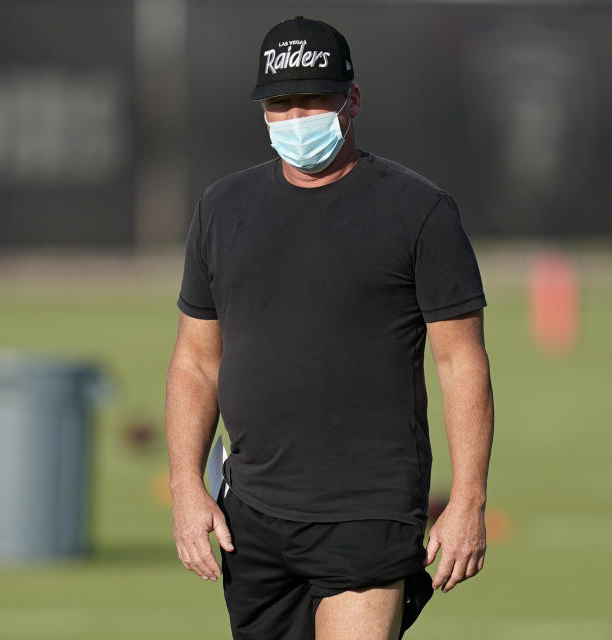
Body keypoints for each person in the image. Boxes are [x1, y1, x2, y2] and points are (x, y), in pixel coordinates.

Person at [165, 15, 495, 640]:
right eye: (282, 104)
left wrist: (468, 500)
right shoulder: (220, 210)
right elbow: (196, 361)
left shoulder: (419, 211)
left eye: (314, 99)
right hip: (253, 516)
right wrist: (187, 486)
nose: (297, 118)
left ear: (353, 100)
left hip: (367, 512)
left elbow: (461, 362)